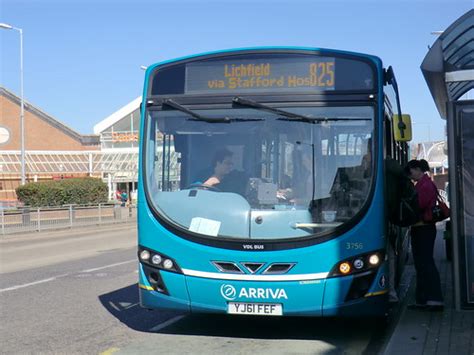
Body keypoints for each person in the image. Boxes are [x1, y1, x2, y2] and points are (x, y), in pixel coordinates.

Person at [405, 159, 444, 311]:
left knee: (426, 263)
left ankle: (434, 299)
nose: (410, 175)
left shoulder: (425, 185)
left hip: (424, 228)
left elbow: (419, 205)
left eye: (411, 171)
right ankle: (423, 299)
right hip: (422, 228)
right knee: (422, 264)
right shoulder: (423, 184)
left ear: (418, 170)